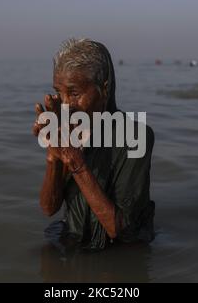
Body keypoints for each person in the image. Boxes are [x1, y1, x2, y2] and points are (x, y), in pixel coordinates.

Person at [32, 38, 155, 251]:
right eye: (59, 93)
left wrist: (76, 163)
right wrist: (53, 155)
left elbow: (122, 231)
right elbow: (49, 208)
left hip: (119, 252)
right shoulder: (70, 130)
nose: (65, 105)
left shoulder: (136, 135)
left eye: (74, 93)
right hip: (75, 242)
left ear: (103, 89)